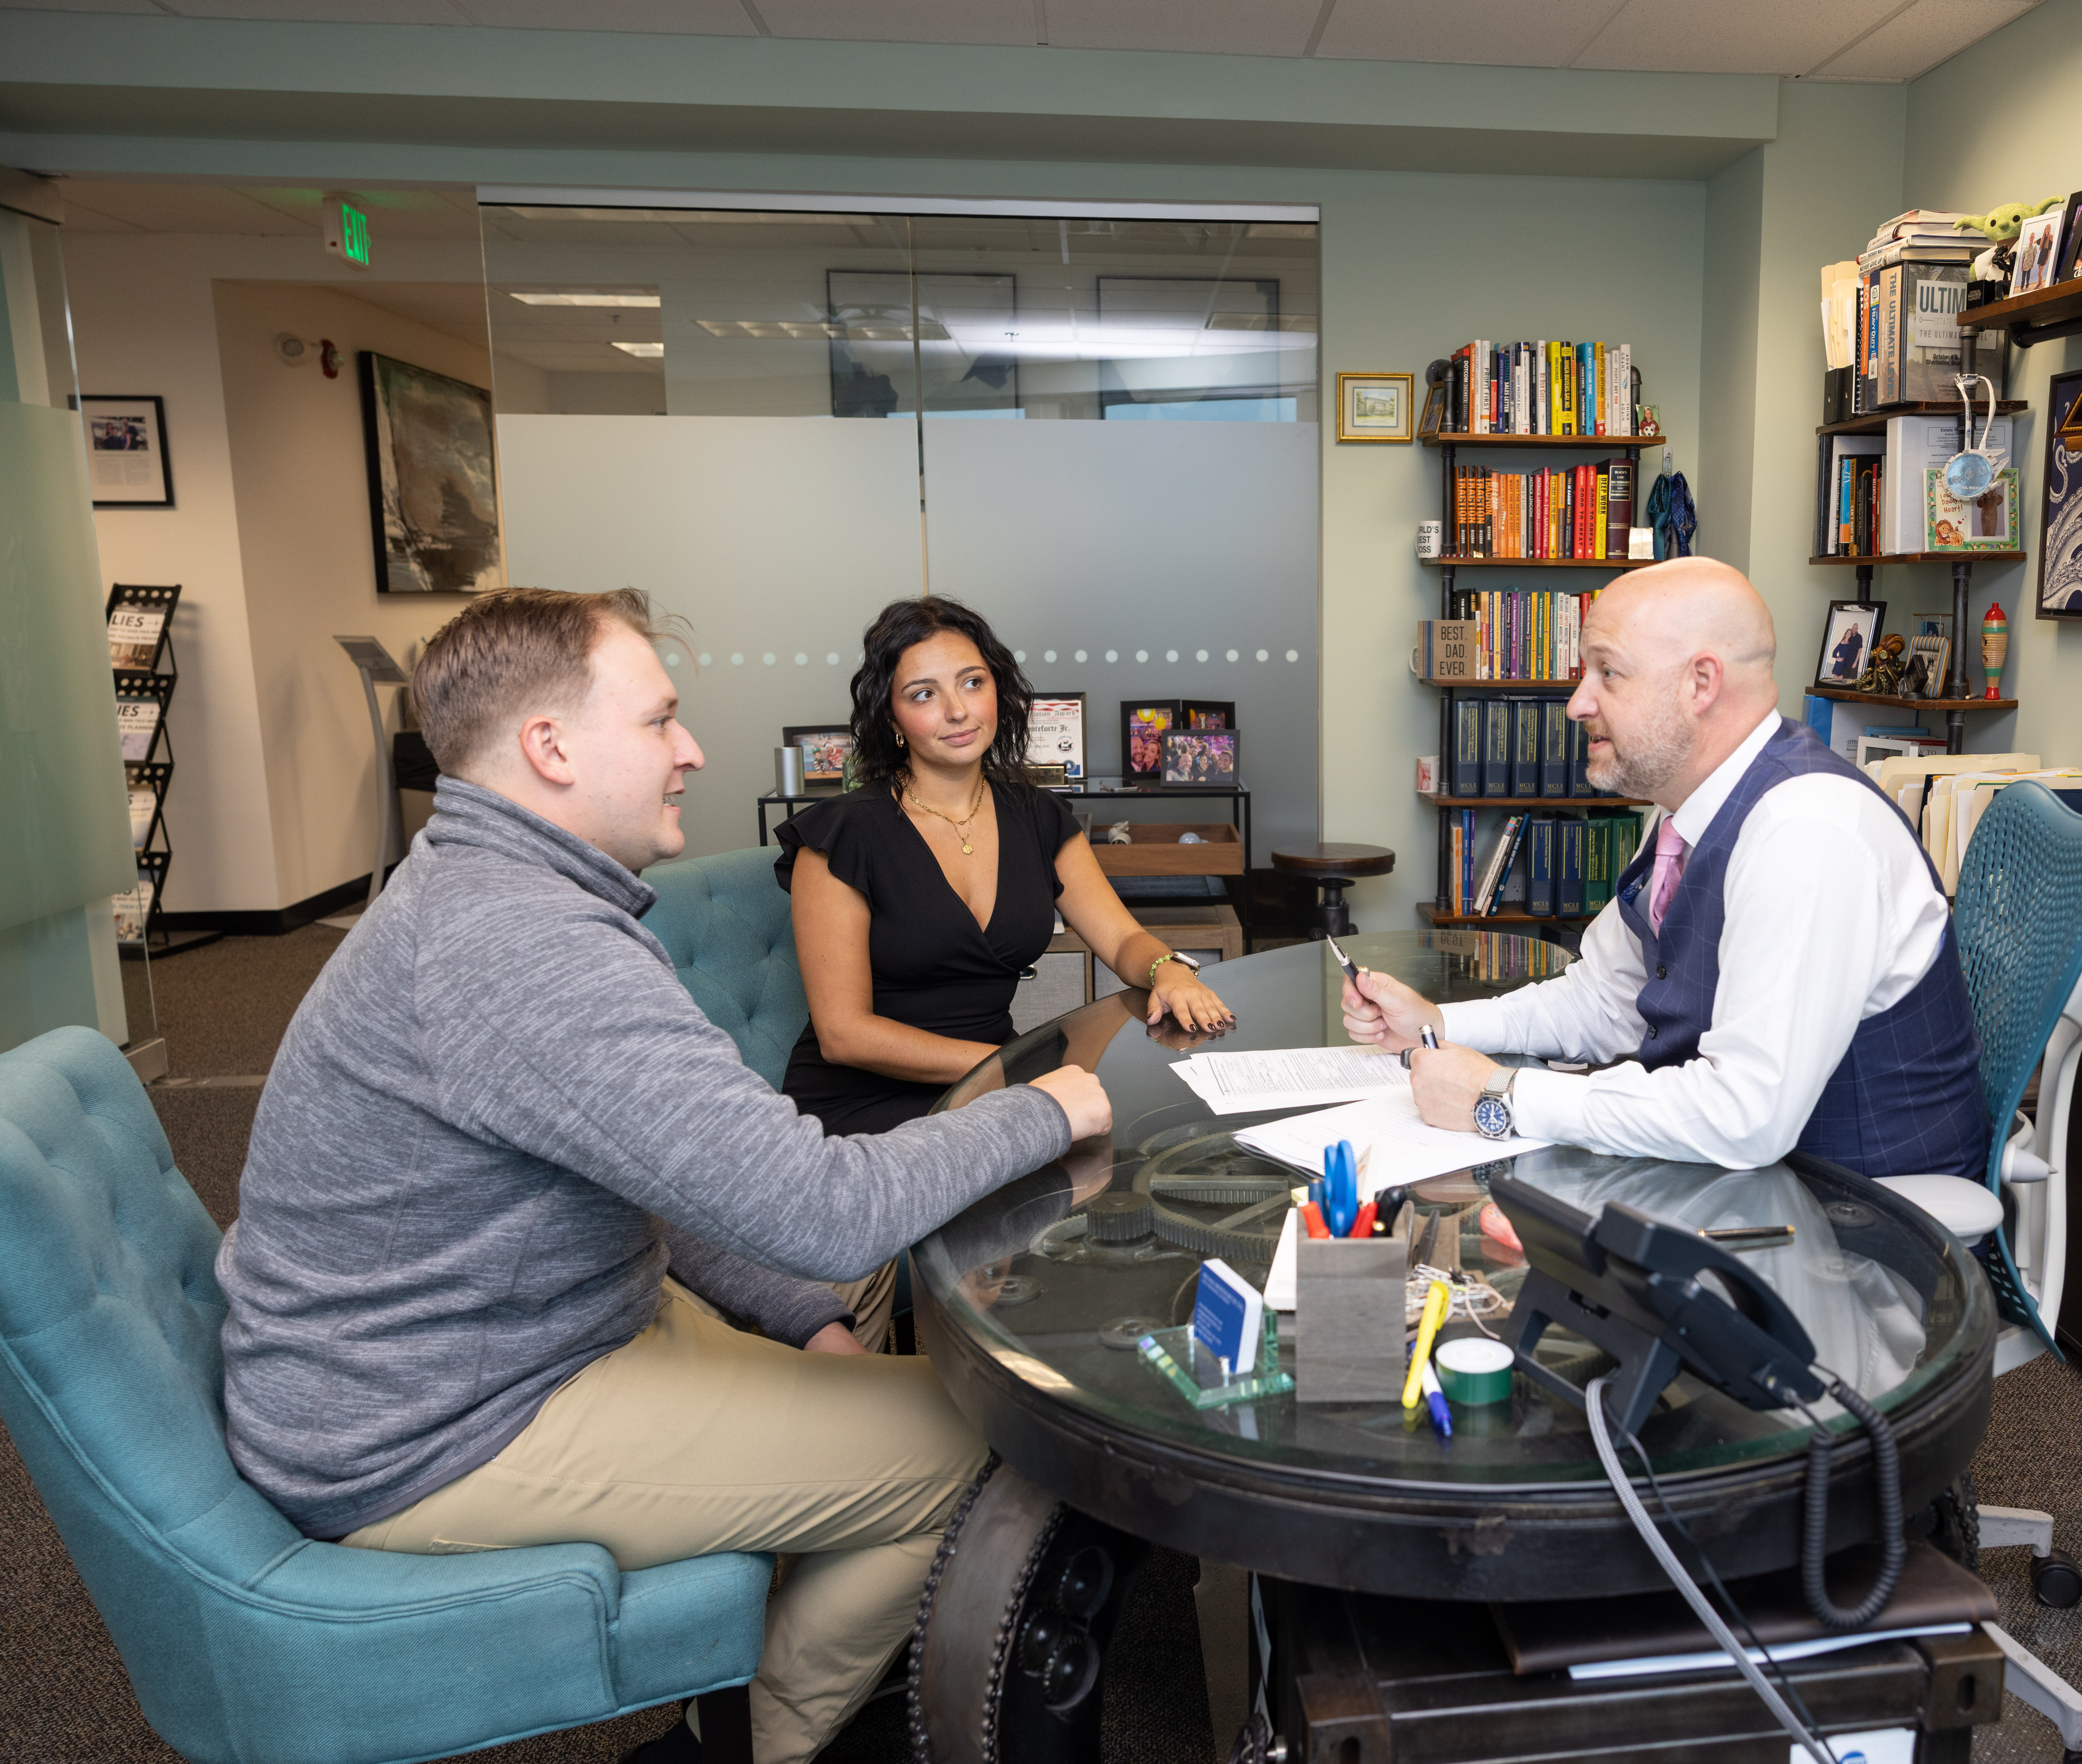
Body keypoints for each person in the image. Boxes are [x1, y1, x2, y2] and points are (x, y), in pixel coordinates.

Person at [216, 587, 1112, 1764]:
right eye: (659, 721)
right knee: (997, 1450)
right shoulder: (519, 942)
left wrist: (805, 1321)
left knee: (899, 1396)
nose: (691, 749)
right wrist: (1055, 1104)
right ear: (548, 747)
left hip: (540, 1327)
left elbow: (642, 1175)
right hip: (439, 1422)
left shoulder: (501, 892)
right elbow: (825, 1208)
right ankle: (752, 1738)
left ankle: (787, 1687)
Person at [1341, 558, 1990, 1179]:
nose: (1576, 703)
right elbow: (1606, 1002)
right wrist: (1440, 1024)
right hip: (1732, 1191)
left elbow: (1745, 1117)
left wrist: (1501, 1095)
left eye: (1608, 674)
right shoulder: (1684, 810)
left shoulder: (1806, 831)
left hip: (1857, 1238)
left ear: (1700, 684)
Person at [777, 596, 1232, 1156]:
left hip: (993, 1082)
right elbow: (844, 1035)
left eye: (972, 683)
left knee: (1134, 1145)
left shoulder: (1038, 816)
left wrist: (1169, 970)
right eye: (924, 694)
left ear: (999, 690)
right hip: (866, 1107)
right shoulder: (842, 835)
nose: (957, 711)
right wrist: (1015, 1069)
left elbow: (1121, 938)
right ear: (891, 718)